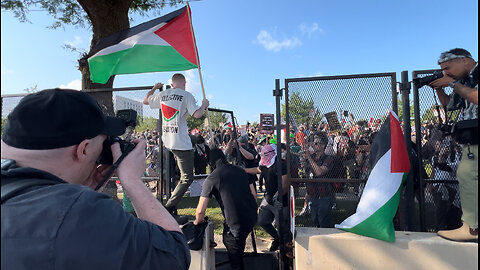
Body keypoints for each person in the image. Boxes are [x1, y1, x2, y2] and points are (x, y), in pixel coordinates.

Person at [1, 89, 190, 270]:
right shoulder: (78, 211)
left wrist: (83, 187)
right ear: (83, 149)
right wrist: (132, 180)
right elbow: (173, 255)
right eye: (104, 143)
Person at [429, 48, 478, 242]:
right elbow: (450, 104)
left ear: (465, 60)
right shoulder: (464, 81)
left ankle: (471, 228)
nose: (446, 73)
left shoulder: (463, 81)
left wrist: (452, 83)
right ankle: (470, 226)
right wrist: (440, 88)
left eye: (448, 68)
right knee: (466, 175)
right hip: (472, 139)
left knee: (467, 174)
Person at [144, 73, 209, 214]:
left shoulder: (164, 94)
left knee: (180, 173)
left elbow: (146, 100)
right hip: (181, 143)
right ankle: (169, 207)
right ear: (184, 83)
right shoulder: (186, 95)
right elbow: (197, 114)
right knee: (187, 178)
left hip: (167, 141)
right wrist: (204, 105)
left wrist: (155, 87)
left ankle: (171, 205)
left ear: (172, 84)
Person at [195, 149, 257, 270]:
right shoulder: (241, 170)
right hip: (251, 217)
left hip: (235, 224)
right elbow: (254, 194)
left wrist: (198, 222)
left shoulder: (212, 178)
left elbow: (200, 210)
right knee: (238, 244)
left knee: (233, 250)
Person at [245, 144, 290, 252]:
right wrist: (244, 170)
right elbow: (258, 170)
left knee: (282, 227)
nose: (262, 157)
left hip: (281, 202)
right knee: (262, 221)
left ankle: (285, 248)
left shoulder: (281, 165)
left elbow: (285, 185)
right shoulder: (265, 164)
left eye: (265, 154)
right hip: (268, 199)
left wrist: (277, 196)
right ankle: (277, 238)